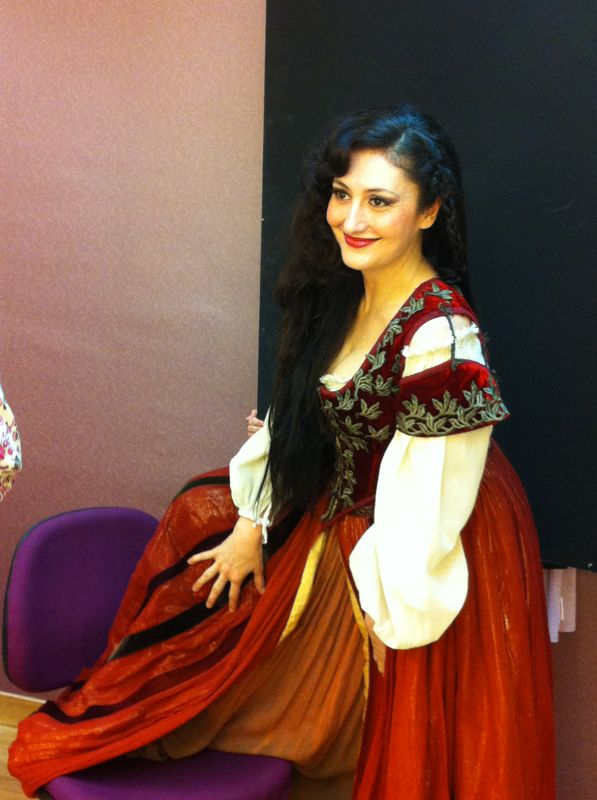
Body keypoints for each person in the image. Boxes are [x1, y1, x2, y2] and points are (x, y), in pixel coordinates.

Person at [9, 106, 555, 799]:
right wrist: (250, 524)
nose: (351, 218)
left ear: (428, 212)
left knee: (373, 735)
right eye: (342, 194)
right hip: (340, 512)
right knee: (199, 517)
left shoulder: (441, 335)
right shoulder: (342, 291)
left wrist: (390, 611)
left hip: (415, 539)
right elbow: (295, 416)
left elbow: (427, 500)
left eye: (379, 201)